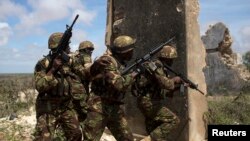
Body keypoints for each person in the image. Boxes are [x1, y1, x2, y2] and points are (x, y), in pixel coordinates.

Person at [83, 35, 137, 141]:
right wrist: (134, 74)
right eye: (131, 50)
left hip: (114, 107)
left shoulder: (120, 63)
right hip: (98, 106)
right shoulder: (107, 61)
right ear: (125, 51)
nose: (133, 52)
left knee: (127, 138)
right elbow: (119, 84)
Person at [33, 32, 85, 141]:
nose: (69, 47)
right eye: (67, 45)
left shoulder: (69, 61)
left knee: (76, 134)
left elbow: (84, 72)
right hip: (48, 107)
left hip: (66, 105)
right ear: (60, 47)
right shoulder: (43, 63)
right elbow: (39, 86)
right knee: (43, 138)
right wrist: (52, 69)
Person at [133, 45, 183, 141]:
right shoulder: (155, 66)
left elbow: (164, 91)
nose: (172, 62)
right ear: (166, 58)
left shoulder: (161, 68)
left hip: (148, 101)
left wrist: (178, 87)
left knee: (156, 132)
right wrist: (175, 80)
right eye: (171, 59)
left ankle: (150, 138)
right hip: (149, 102)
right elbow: (167, 84)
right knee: (173, 120)